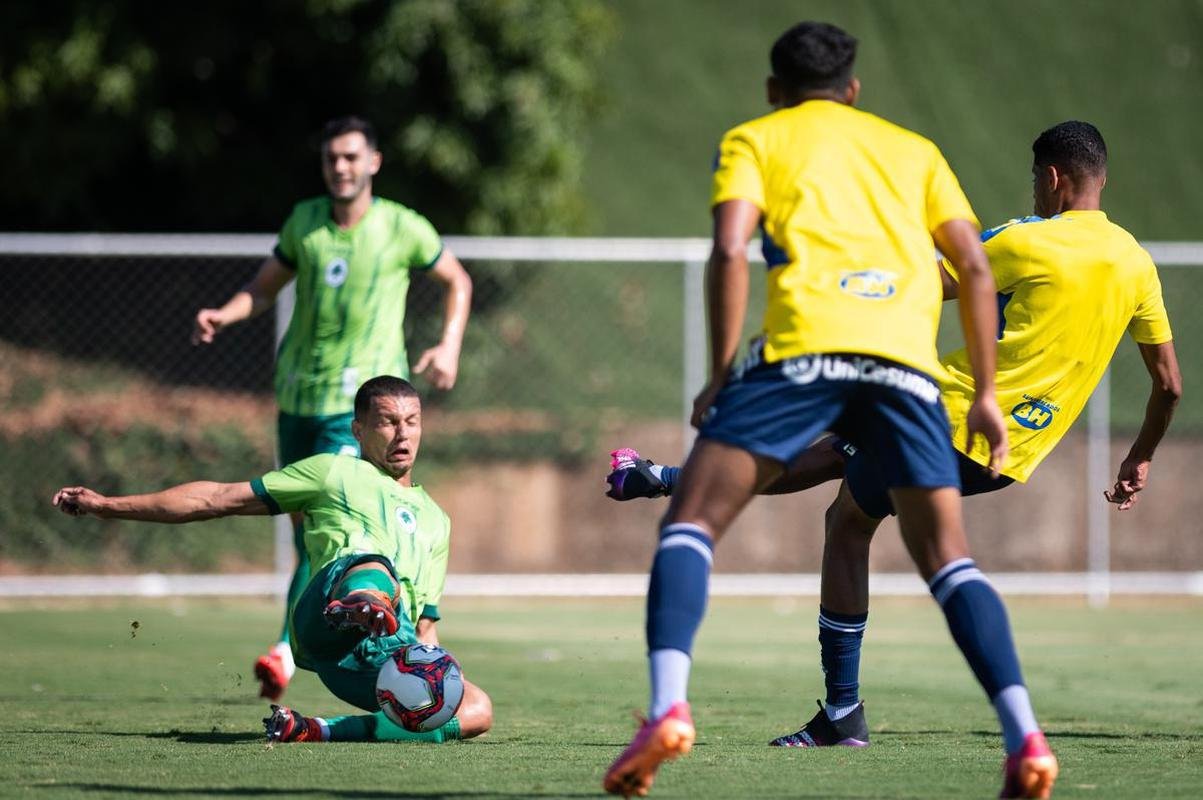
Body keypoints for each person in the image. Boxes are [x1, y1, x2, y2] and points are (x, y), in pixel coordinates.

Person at [606, 120, 1181, 765]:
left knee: (837, 492)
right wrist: (1140, 457)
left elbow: (926, 282)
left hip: (947, 413)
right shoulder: (1136, 263)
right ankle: (670, 483)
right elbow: (1169, 384)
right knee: (848, 499)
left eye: (1035, 181)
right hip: (1008, 455)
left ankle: (842, 707)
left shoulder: (1029, 241)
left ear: (1051, 178)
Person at [601, 22, 1058, 799]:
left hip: (804, 355)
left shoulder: (755, 138)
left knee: (690, 522)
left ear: (774, 91)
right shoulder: (914, 151)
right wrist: (982, 392)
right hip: (908, 373)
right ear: (852, 88)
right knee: (948, 559)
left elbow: (727, 249)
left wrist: (718, 374)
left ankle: (666, 707)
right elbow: (974, 264)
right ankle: (1023, 737)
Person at [191, 116, 473, 702]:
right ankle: (329, 638)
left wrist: (449, 344)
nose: (340, 168)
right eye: (331, 159)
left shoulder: (402, 226)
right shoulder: (305, 222)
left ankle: (289, 650)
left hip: (359, 410)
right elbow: (264, 286)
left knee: (348, 532)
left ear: (373, 161)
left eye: (350, 157)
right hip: (298, 398)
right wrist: (227, 312)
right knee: (310, 539)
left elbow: (457, 280)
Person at [53, 375, 492, 744]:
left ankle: (317, 730)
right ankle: (360, 604)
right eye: (388, 423)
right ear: (358, 431)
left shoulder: (437, 519)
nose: (402, 435)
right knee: (373, 563)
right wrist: (108, 505)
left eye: (412, 423)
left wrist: (433, 680)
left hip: (375, 660)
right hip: (325, 621)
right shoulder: (332, 473)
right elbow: (217, 498)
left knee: (474, 710)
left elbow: (426, 626)